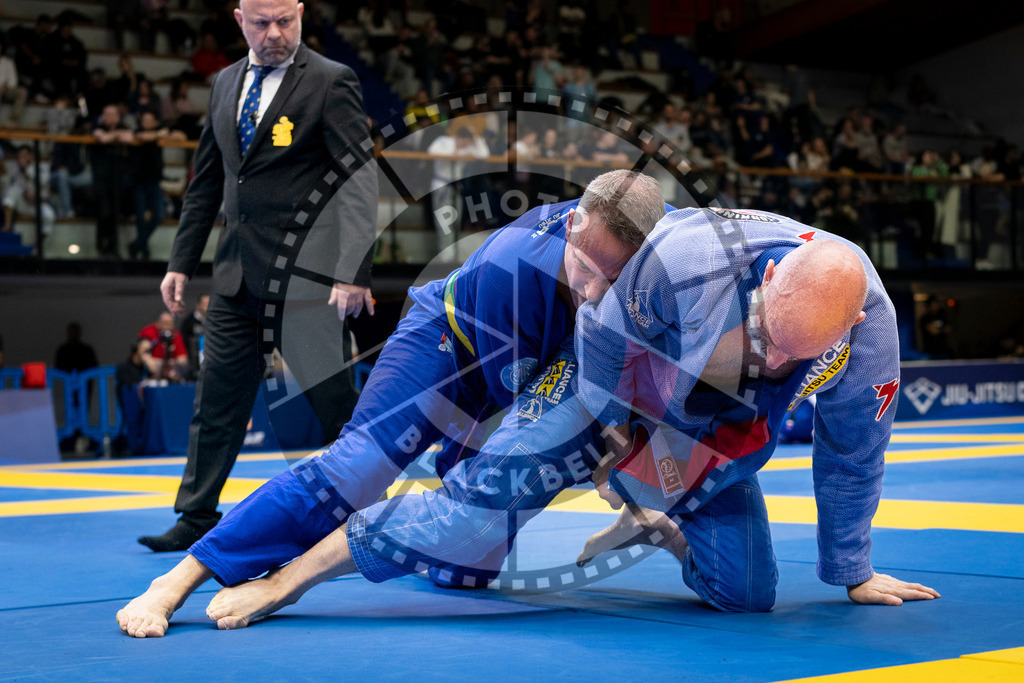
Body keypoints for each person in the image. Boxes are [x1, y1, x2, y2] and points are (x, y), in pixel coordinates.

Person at [116, 170, 668, 637]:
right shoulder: (515, 264)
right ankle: (181, 577)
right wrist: (592, 447)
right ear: (572, 226)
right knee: (359, 468)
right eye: (587, 271)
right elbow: (528, 414)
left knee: (470, 567)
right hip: (448, 340)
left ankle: (415, 540)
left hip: (520, 370)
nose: (595, 291)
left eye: (614, 279)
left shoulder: (655, 267)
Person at [135, 0, 378, 553]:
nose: (275, 33)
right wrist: (181, 262)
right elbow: (208, 182)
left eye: (285, 22)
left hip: (308, 280)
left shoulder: (329, 80)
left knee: (334, 403)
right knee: (215, 403)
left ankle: (367, 509)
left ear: (300, 15)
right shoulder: (224, 83)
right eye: (262, 22)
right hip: (234, 275)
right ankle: (195, 515)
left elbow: (358, 180)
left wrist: (352, 270)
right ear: (239, 19)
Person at [138, 312, 190, 382]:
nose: (167, 326)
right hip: (150, 370)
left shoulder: (176, 335)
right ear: (158, 322)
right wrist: (156, 364)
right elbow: (141, 353)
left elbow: (183, 359)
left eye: (169, 323)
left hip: (170, 370)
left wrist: (171, 366)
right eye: (164, 323)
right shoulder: (147, 332)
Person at [178, 294, 210, 377]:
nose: (208, 306)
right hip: (192, 359)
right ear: (198, 305)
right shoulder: (189, 321)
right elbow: (183, 340)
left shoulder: (214, 321)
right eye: (205, 303)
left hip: (209, 358)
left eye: (209, 303)